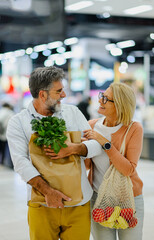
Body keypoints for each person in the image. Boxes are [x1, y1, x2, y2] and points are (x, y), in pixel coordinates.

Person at [6, 66, 102, 240]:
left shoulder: (72, 113)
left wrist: (73, 148)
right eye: (59, 91)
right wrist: (49, 192)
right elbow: (20, 163)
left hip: (79, 202)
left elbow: (96, 145)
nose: (64, 95)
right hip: (42, 204)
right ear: (43, 94)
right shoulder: (19, 122)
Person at [83, 82, 144, 240]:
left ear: (120, 105)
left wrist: (104, 142)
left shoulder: (134, 129)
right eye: (102, 96)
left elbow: (128, 169)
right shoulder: (91, 126)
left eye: (106, 99)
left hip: (128, 198)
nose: (100, 101)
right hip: (98, 198)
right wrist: (80, 149)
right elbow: (87, 166)